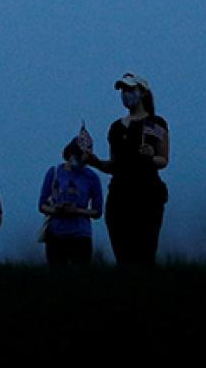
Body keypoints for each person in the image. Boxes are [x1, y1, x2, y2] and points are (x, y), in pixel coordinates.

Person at [80, 72, 169, 266]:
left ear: (142, 93)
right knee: (123, 251)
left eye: (130, 89)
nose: (125, 94)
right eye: (123, 91)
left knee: (145, 251)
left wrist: (151, 157)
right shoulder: (116, 128)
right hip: (120, 195)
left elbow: (164, 159)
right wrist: (94, 161)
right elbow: (114, 165)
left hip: (147, 195)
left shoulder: (156, 123)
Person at [37, 136, 104, 266]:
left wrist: (77, 211)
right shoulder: (54, 172)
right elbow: (42, 205)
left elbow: (97, 211)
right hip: (56, 234)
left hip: (81, 234)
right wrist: (56, 210)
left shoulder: (91, 177)